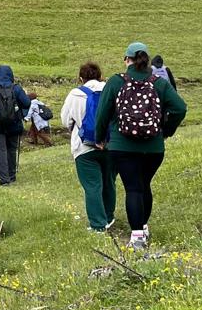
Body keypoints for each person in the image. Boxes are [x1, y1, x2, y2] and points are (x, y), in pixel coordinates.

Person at [96, 41, 188, 250]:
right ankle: (143, 228)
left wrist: (100, 137)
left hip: (122, 146)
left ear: (126, 59)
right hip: (153, 147)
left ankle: (137, 236)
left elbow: (102, 114)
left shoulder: (116, 82)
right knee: (144, 185)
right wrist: (167, 130)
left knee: (133, 188)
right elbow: (180, 108)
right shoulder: (159, 83)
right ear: (147, 59)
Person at [60, 62, 115, 232]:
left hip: (84, 147)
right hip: (111, 144)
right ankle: (109, 216)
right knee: (109, 181)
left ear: (81, 78)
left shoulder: (75, 94)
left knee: (92, 185)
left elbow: (65, 120)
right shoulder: (111, 89)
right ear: (100, 75)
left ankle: (98, 224)